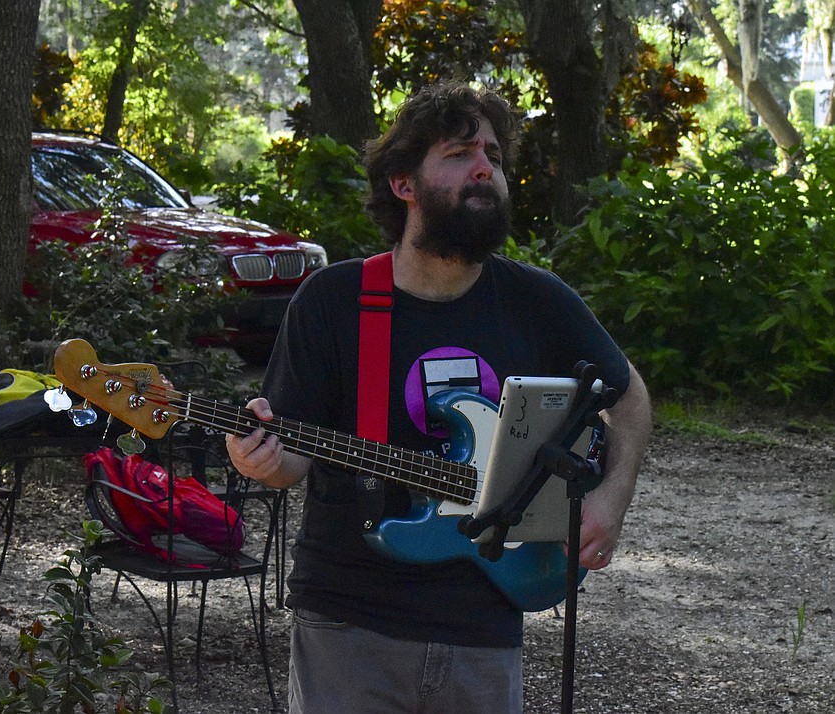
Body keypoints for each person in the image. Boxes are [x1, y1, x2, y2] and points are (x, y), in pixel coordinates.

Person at [226, 81, 651, 714]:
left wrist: (609, 502)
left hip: (487, 616)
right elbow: (292, 456)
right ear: (403, 183)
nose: (485, 166)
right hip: (350, 619)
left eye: (494, 156)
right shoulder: (335, 301)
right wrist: (256, 458)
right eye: (459, 152)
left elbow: (628, 396)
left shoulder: (536, 300)